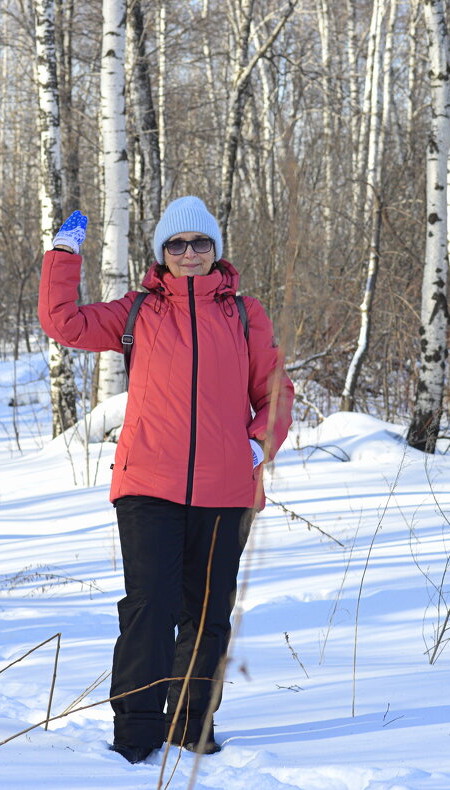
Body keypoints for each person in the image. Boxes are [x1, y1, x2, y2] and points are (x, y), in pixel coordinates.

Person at [37, 196, 294, 764]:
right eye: (177, 245)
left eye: (200, 243)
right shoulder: (138, 311)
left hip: (225, 490)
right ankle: (135, 731)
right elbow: (64, 322)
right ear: (162, 253)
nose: (189, 253)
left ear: (215, 249)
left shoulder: (244, 314)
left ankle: (191, 725)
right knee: (148, 608)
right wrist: (62, 255)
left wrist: (257, 444)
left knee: (207, 613)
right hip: (148, 485)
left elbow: (275, 392)